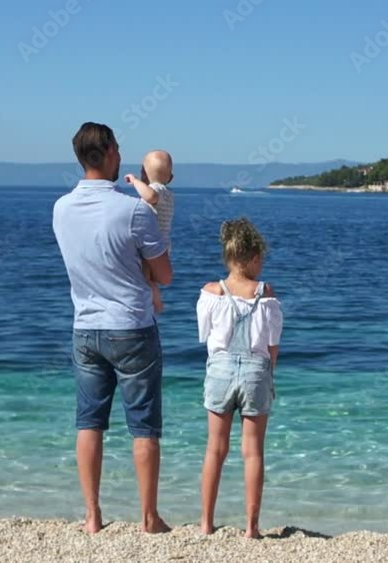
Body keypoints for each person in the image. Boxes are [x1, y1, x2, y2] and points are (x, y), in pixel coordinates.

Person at [52, 122, 173, 535]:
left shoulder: (61, 209)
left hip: (85, 327)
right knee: (144, 426)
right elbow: (164, 274)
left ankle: (92, 516)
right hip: (131, 326)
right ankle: (149, 518)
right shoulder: (133, 210)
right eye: (118, 149)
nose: (121, 155)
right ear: (106, 153)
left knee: (89, 422)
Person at [196, 218, 283, 539]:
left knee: (215, 449)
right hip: (256, 372)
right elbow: (273, 344)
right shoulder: (266, 294)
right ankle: (251, 528)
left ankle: (206, 523)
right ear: (254, 258)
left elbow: (204, 335)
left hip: (220, 371)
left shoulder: (211, 292)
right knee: (253, 451)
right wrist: (268, 376)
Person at [124, 150, 175, 314]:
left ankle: (156, 304)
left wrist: (135, 181)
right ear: (171, 178)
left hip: (154, 243)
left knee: (146, 279)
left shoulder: (156, 189)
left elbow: (150, 195)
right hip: (163, 244)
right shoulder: (168, 193)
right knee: (150, 279)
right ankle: (157, 303)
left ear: (144, 174)